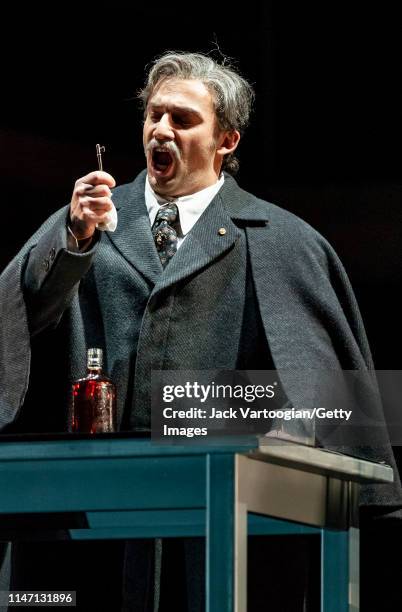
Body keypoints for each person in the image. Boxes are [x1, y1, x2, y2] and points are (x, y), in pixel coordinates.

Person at [0, 51, 401, 611]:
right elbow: (15, 334)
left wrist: (196, 405)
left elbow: (341, 406)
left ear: (227, 142)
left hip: (227, 530)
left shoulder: (286, 242)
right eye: (153, 116)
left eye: (182, 120)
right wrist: (72, 241)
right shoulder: (84, 222)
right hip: (91, 523)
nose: (161, 130)